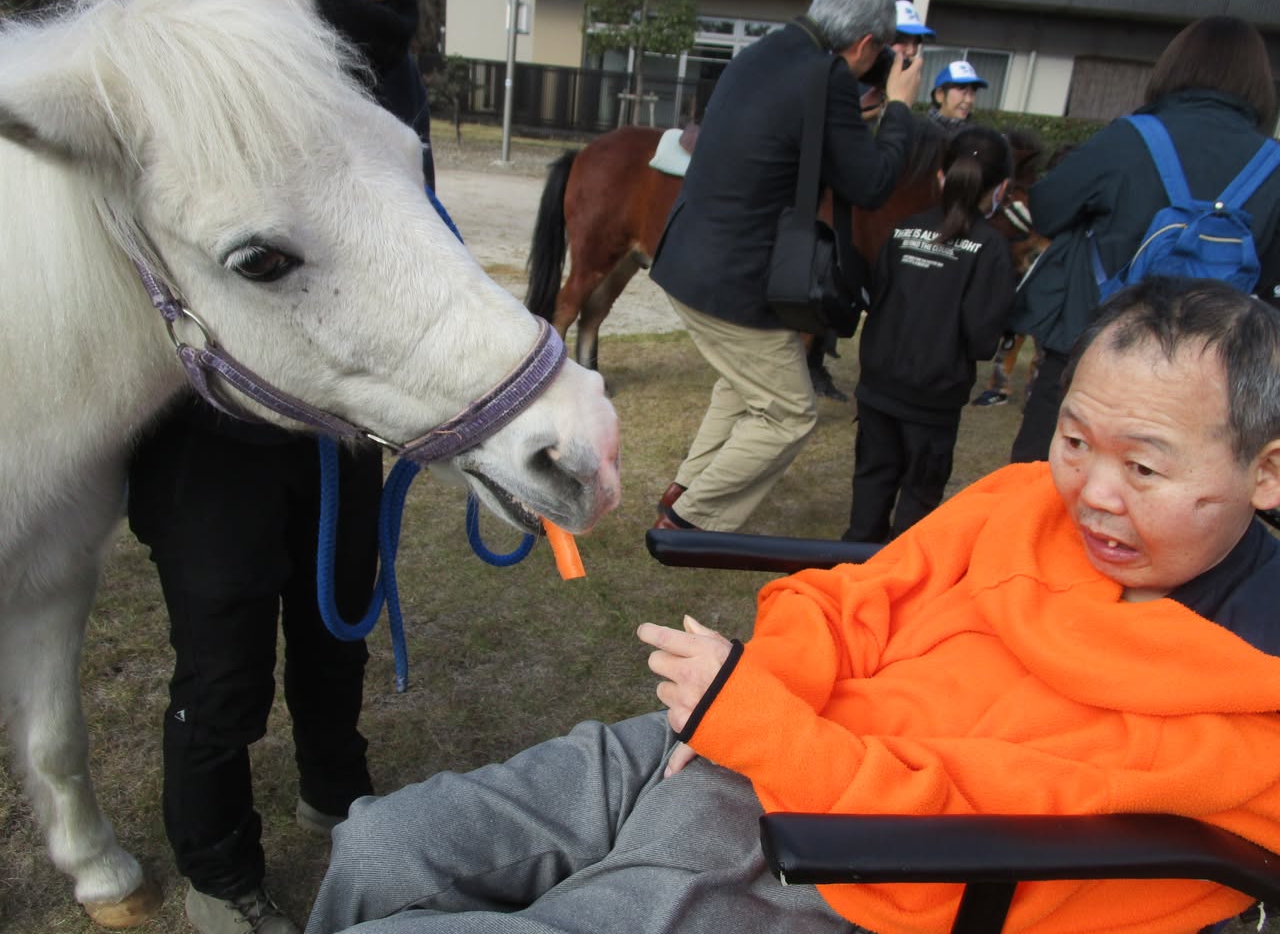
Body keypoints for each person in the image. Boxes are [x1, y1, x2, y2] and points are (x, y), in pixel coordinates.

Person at [304, 278, 1280, 934]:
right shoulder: (1023, 501)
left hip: (845, 865)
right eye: (1074, 439)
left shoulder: (1247, 699)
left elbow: (987, 836)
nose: (1090, 492)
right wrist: (763, 689)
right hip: (749, 730)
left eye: (1143, 465)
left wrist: (772, 737)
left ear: (1265, 470)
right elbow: (850, 598)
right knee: (377, 846)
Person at [126, 0, 433, 932]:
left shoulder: (394, 58)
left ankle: (338, 795)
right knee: (223, 668)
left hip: (335, 408)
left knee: (337, 625)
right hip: (211, 418)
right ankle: (218, 872)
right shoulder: (215, 29)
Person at [649, 0, 923, 534]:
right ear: (868, 46)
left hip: (685, 260)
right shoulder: (827, 77)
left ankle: (684, 486)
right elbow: (870, 184)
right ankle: (689, 521)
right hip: (734, 282)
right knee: (788, 414)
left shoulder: (763, 52)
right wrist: (898, 108)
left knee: (746, 381)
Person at [1007, 15, 1280, 463]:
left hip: (1094, 351)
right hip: (1208, 373)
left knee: (1044, 485)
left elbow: (1048, 208)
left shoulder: (1130, 139)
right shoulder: (1272, 164)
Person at [843, 126, 1015, 543]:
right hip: (933, 399)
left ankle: (849, 570)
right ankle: (904, 577)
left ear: (941, 175)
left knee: (871, 482)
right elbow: (981, 340)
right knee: (918, 499)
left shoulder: (902, 230)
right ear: (1001, 188)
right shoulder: (990, 248)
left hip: (879, 386)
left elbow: (877, 298)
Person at [808, 0, 938, 404]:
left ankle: (817, 359)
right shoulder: (847, 84)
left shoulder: (899, 98)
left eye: (915, 43)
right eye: (900, 41)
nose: (909, 51)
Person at [926, 59, 987, 133]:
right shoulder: (921, 131)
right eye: (963, 93)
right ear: (940, 94)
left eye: (972, 93)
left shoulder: (975, 135)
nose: (969, 100)